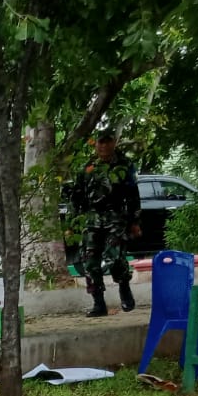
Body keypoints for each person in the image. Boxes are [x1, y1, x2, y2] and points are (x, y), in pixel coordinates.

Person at [71, 129, 141, 317]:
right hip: (92, 219)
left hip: (116, 218)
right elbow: (77, 195)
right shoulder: (87, 167)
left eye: (107, 142)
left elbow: (133, 195)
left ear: (114, 142)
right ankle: (98, 303)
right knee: (90, 261)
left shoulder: (125, 165)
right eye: (100, 142)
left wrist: (135, 221)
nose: (104, 146)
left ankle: (124, 288)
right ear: (95, 144)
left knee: (115, 258)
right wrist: (75, 220)